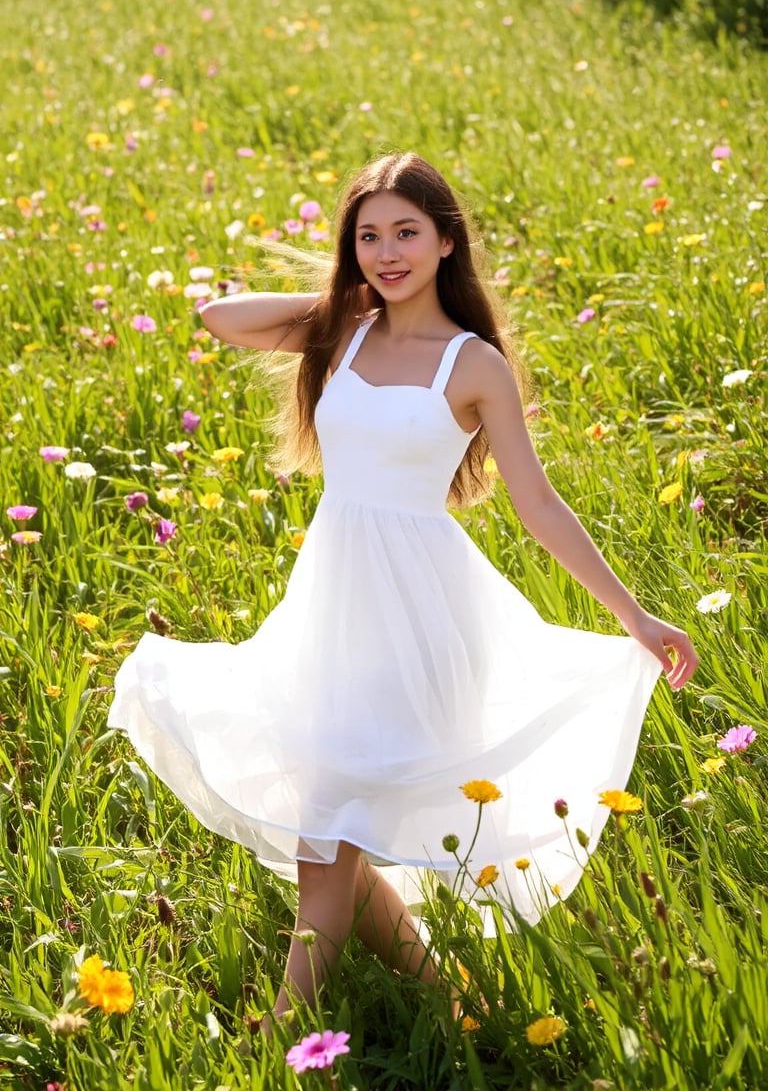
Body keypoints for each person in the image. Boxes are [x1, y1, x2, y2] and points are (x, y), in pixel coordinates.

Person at [108, 151, 699, 1028]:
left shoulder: (473, 365)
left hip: (419, 616)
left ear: (447, 241)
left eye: (407, 233)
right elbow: (218, 315)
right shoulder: (343, 333)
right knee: (337, 824)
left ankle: (282, 1032)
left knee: (325, 828)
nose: (388, 252)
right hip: (331, 607)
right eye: (369, 236)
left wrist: (634, 615)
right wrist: (340, 300)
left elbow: (539, 504)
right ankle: (453, 1003)